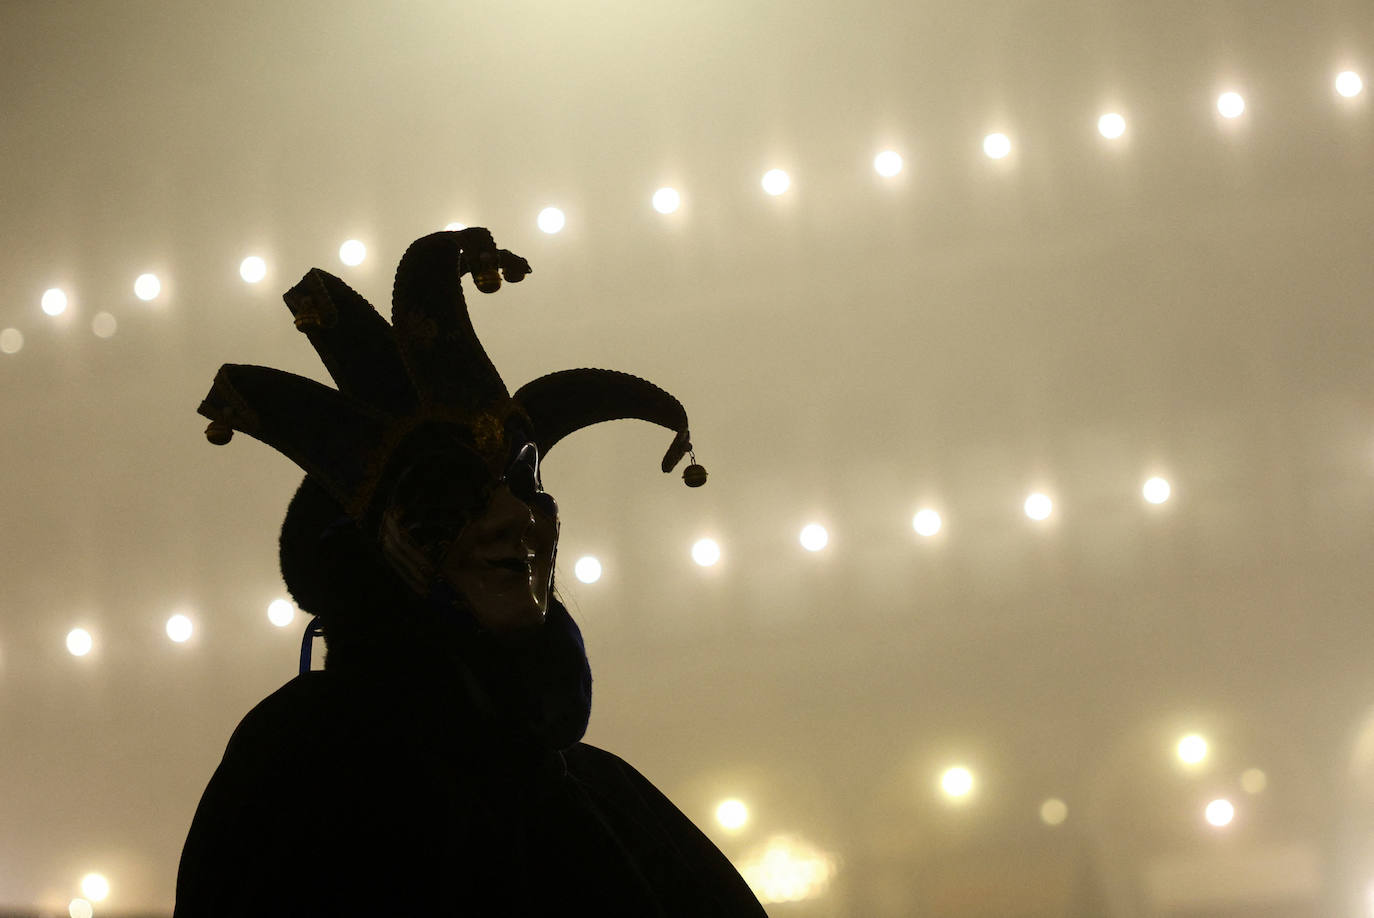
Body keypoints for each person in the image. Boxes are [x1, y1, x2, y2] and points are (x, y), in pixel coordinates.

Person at [174, 228, 766, 916]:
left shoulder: (609, 798)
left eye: (526, 483)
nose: (516, 516)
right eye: (455, 491)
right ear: (373, 544)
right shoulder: (305, 768)